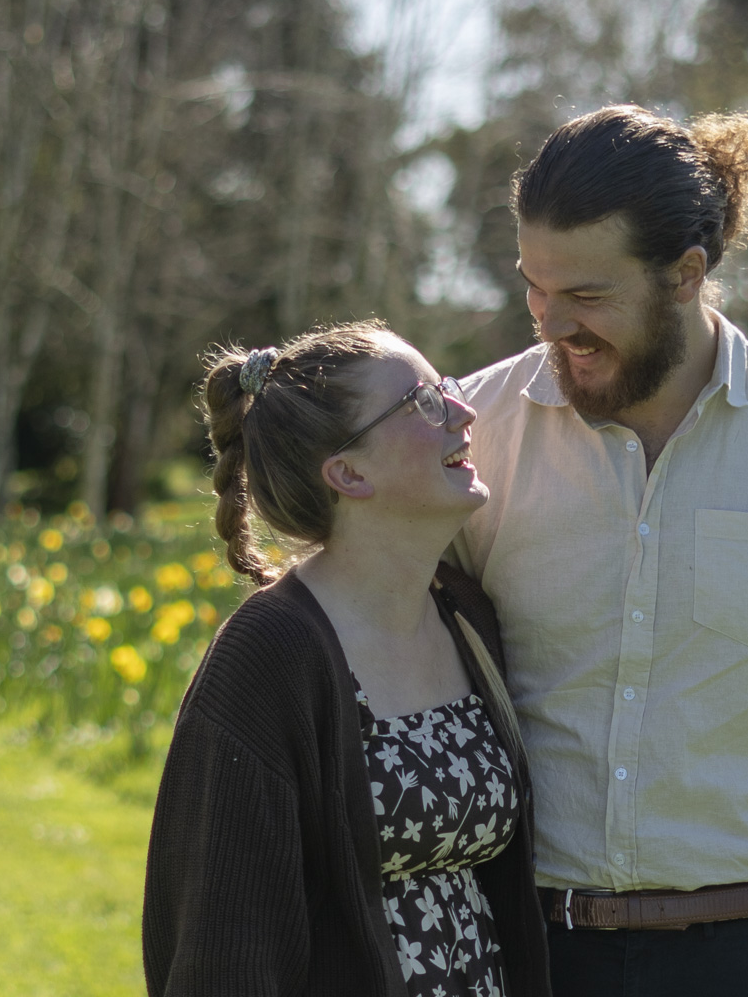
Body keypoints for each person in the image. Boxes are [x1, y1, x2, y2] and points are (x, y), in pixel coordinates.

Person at [447, 106, 748, 997]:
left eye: (588, 296)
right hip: (524, 949)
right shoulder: (471, 434)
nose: (552, 324)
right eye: (534, 287)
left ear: (685, 274)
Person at [142, 323, 551, 997]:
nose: (464, 411)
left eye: (444, 388)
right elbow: (222, 950)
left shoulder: (467, 614)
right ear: (348, 472)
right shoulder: (270, 655)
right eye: (421, 402)